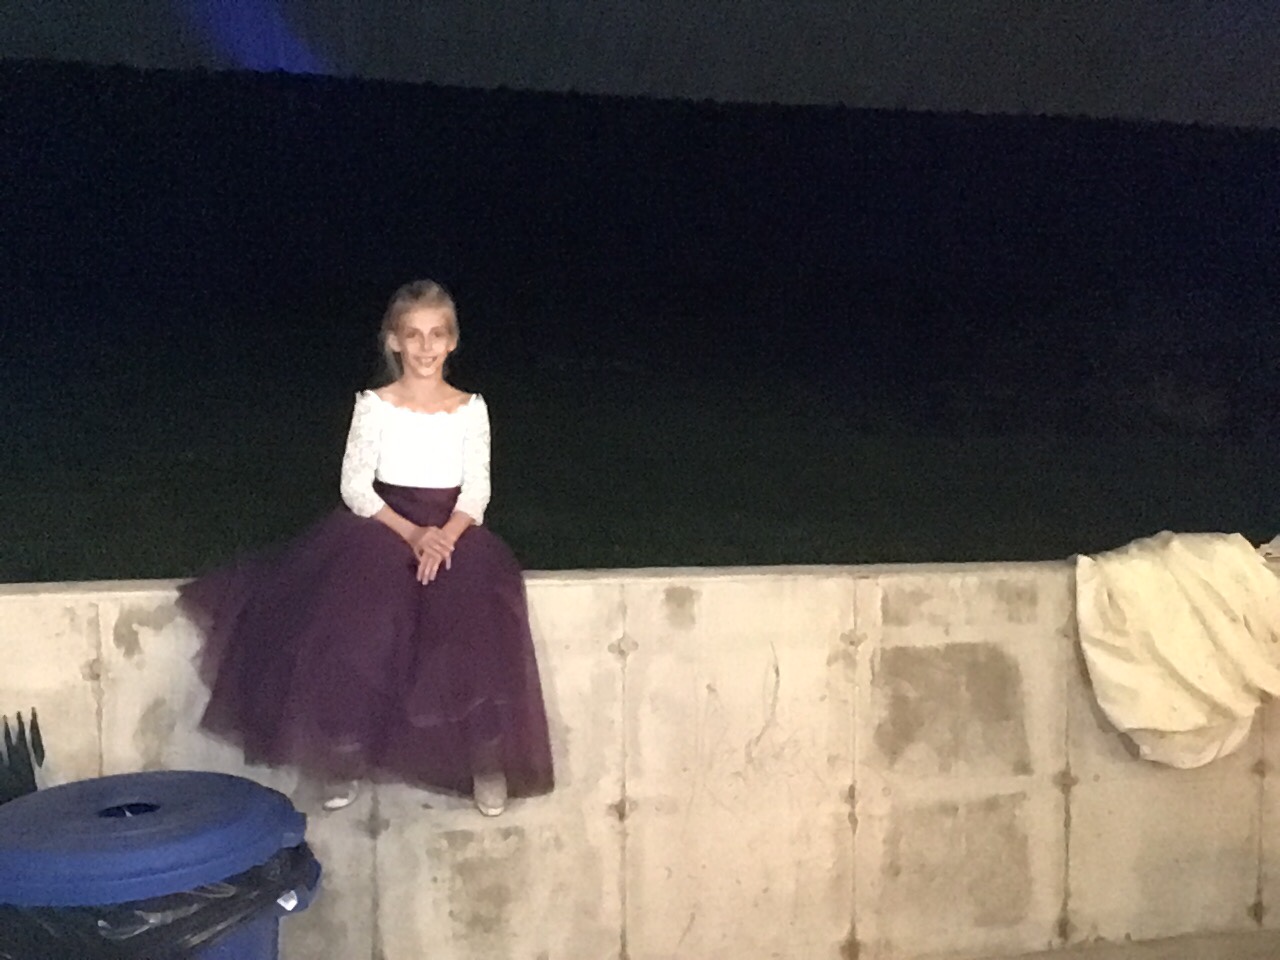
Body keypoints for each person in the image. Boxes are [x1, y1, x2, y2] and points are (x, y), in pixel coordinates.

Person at [177, 280, 554, 815]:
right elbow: (355, 486)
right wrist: (413, 534)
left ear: (452, 342)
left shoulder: (471, 408)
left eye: (437, 334)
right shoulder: (375, 405)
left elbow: (478, 491)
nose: (425, 346)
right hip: (384, 525)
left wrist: (444, 536)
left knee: (472, 625)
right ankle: (343, 757)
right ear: (394, 341)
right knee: (360, 627)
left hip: (453, 529)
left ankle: (483, 762)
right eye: (413, 335)